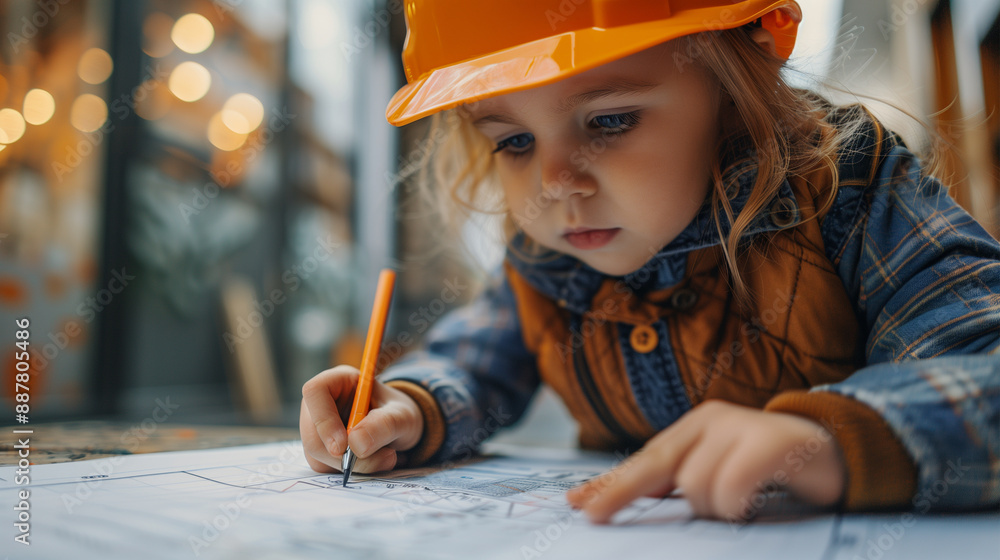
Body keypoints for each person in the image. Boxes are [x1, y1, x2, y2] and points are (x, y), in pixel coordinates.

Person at [300, 0, 1000, 524]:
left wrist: (829, 439)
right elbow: (474, 363)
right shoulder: (548, 257)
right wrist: (410, 404)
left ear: (735, 88)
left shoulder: (847, 193)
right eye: (513, 141)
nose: (554, 184)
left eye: (609, 121)